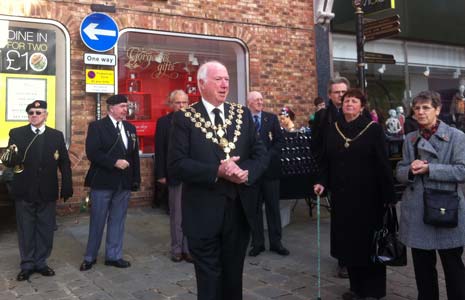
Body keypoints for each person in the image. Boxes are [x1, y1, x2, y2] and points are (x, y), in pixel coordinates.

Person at [168, 61, 268, 300]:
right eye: (218, 79)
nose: (224, 84)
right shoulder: (184, 119)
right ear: (201, 84)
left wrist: (246, 172)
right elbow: (177, 165)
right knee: (209, 279)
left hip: (238, 210)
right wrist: (217, 171)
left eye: (226, 79)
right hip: (203, 212)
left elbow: (261, 153)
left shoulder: (242, 114)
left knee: (234, 276)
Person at [314, 88, 395, 300]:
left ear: (362, 106)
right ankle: (356, 288)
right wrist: (322, 182)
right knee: (348, 245)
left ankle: (374, 291)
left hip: (370, 198)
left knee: (370, 244)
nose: (349, 104)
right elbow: (325, 160)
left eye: (354, 101)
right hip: (342, 198)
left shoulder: (373, 129)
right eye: (347, 100)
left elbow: (383, 164)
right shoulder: (333, 129)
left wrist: (389, 197)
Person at [396, 90, 465, 300]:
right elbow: (399, 171)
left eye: (426, 107)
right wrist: (409, 170)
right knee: (423, 272)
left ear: (437, 109)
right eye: (417, 108)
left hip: (447, 209)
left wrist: (430, 169)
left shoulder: (457, 137)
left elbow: (462, 170)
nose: (420, 112)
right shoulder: (410, 138)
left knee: (454, 269)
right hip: (417, 212)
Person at [6, 100, 73, 281]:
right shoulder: (17, 133)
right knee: (26, 228)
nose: (34, 115)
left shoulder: (56, 135)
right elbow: (11, 160)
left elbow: (64, 162)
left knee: (45, 228)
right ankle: (27, 264)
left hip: (47, 190)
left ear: (45, 115)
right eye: (31, 113)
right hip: (25, 189)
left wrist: (67, 184)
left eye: (38, 112)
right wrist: (10, 156)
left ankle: (41, 262)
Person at [80, 94, 141, 271]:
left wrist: (135, 179)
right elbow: (93, 152)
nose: (125, 109)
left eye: (126, 106)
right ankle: (90, 257)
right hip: (102, 182)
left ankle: (113, 256)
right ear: (111, 108)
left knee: (118, 220)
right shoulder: (97, 127)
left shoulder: (130, 128)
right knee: (97, 220)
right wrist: (114, 162)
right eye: (122, 106)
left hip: (123, 183)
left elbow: (133, 156)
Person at [311, 76, 350, 278]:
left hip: (356, 175)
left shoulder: (359, 113)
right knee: (340, 218)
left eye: (344, 92)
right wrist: (322, 175)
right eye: (337, 92)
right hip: (334, 174)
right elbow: (316, 146)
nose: (341, 96)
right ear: (329, 95)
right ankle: (342, 260)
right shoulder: (323, 116)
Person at [247, 91, 288, 257]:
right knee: (254, 209)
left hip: (270, 170)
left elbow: (279, 141)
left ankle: (276, 243)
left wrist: (267, 156)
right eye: (256, 100)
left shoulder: (271, 118)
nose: (260, 102)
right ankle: (257, 244)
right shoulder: (244, 119)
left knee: (273, 208)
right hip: (253, 171)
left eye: (261, 99)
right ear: (248, 102)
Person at [154, 89, 192, 263]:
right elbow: (160, 150)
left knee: (192, 213)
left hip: (193, 175)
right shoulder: (163, 123)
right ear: (171, 104)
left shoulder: (195, 121)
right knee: (177, 214)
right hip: (174, 174)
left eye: (184, 102)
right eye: (178, 102)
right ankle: (177, 248)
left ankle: (189, 248)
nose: (181, 105)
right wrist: (161, 174)